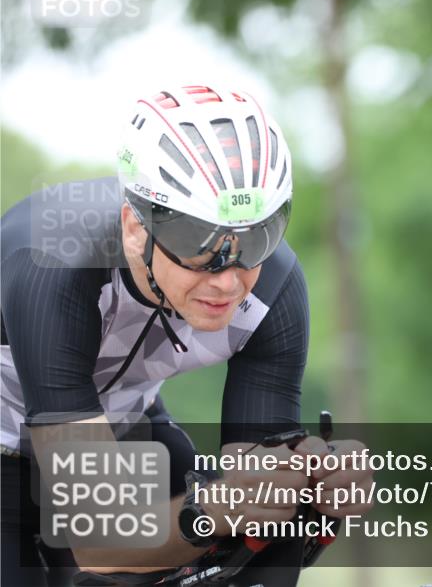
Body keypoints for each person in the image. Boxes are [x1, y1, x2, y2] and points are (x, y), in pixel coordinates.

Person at [0, 84, 373, 586]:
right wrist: (210, 508)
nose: (228, 278)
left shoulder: (275, 287)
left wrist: (313, 491)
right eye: (201, 246)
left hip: (123, 426)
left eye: (256, 238)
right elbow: (100, 541)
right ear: (136, 227)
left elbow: (255, 494)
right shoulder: (56, 261)